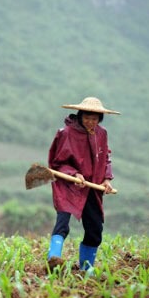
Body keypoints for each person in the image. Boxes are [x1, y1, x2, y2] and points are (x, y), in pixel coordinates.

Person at [46, 97, 120, 272]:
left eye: (94, 119)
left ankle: (86, 268)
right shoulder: (67, 133)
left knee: (95, 229)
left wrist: (107, 179)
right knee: (63, 222)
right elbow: (58, 162)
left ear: (100, 119)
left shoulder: (102, 134)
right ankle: (53, 257)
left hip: (92, 188)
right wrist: (74, 173)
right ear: (80, 115)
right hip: (69, 185)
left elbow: (105, 159)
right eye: (87, 117)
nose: (90, 122)